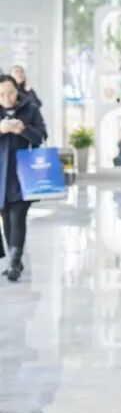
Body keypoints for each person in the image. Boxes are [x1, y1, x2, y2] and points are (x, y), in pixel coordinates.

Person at [0, 74, 47, 282]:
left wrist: (23, 129)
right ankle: (15, 260)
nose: (7, 98)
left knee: (18, 217)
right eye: (1, 94)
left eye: (10, 92)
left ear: (17, 90)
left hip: (23, 174)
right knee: (6, 219)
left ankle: (14, 262)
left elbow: (41, 137)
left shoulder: (31, 109)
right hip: (1, 176)